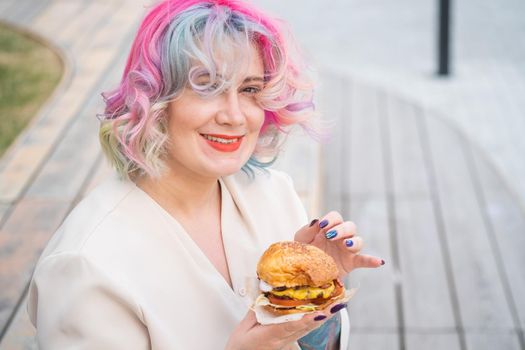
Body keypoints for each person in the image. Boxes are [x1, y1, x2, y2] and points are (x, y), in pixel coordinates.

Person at [27, 0, 384, 349]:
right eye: (207, 86)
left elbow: (321, 345)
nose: (234, 115)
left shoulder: (275, 193)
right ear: (153, 100)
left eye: (249, 89)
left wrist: (317, 303)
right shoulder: (85, 265)